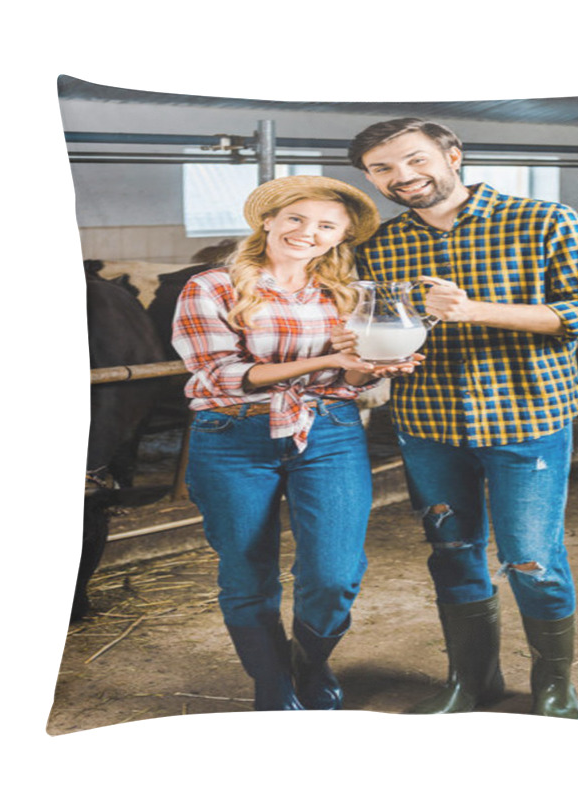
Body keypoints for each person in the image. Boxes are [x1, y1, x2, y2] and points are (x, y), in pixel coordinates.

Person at [335, 118, 578, 718]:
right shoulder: (381, 245)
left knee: (531, 557)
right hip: (427, 420)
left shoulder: (545, 220)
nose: (402, 177)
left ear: (453, 155)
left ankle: (553, 684)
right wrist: (369, 349)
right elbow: (380, 324)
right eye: (382, 169)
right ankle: (472, 679)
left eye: (415, 160)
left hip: (527, 415)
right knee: (452, 548)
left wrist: (475, 309)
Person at [172, 175, 412, 712]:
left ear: (340, 237)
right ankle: (273, 686)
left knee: (334, 575)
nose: (308, 232)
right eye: (296, 219)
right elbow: (219, 373)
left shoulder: (346, 294)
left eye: (326, 225)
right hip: (233, 434)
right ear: (269, 222)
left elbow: (355, 382)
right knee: (246, 572)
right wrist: (332, 360)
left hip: (329, 431)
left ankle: (309, 660)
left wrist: (371, 368)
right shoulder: (211, 286)